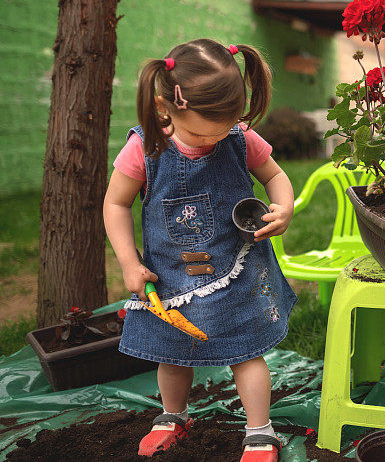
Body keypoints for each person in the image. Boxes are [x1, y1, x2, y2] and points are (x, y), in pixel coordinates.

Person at [104, 39, 297, 462]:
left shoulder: (239, 137)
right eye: (198, 132)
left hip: (237, 270)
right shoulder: (144, 148)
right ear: (165, 108)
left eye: (222, 129)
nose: (212, 140)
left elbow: (276, 175)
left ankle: (259, 431)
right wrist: (128, 263)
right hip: (169, 277)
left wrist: (285, 207)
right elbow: (115, 203)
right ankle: (173, 415)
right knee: (171, 352)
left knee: (247, 353)